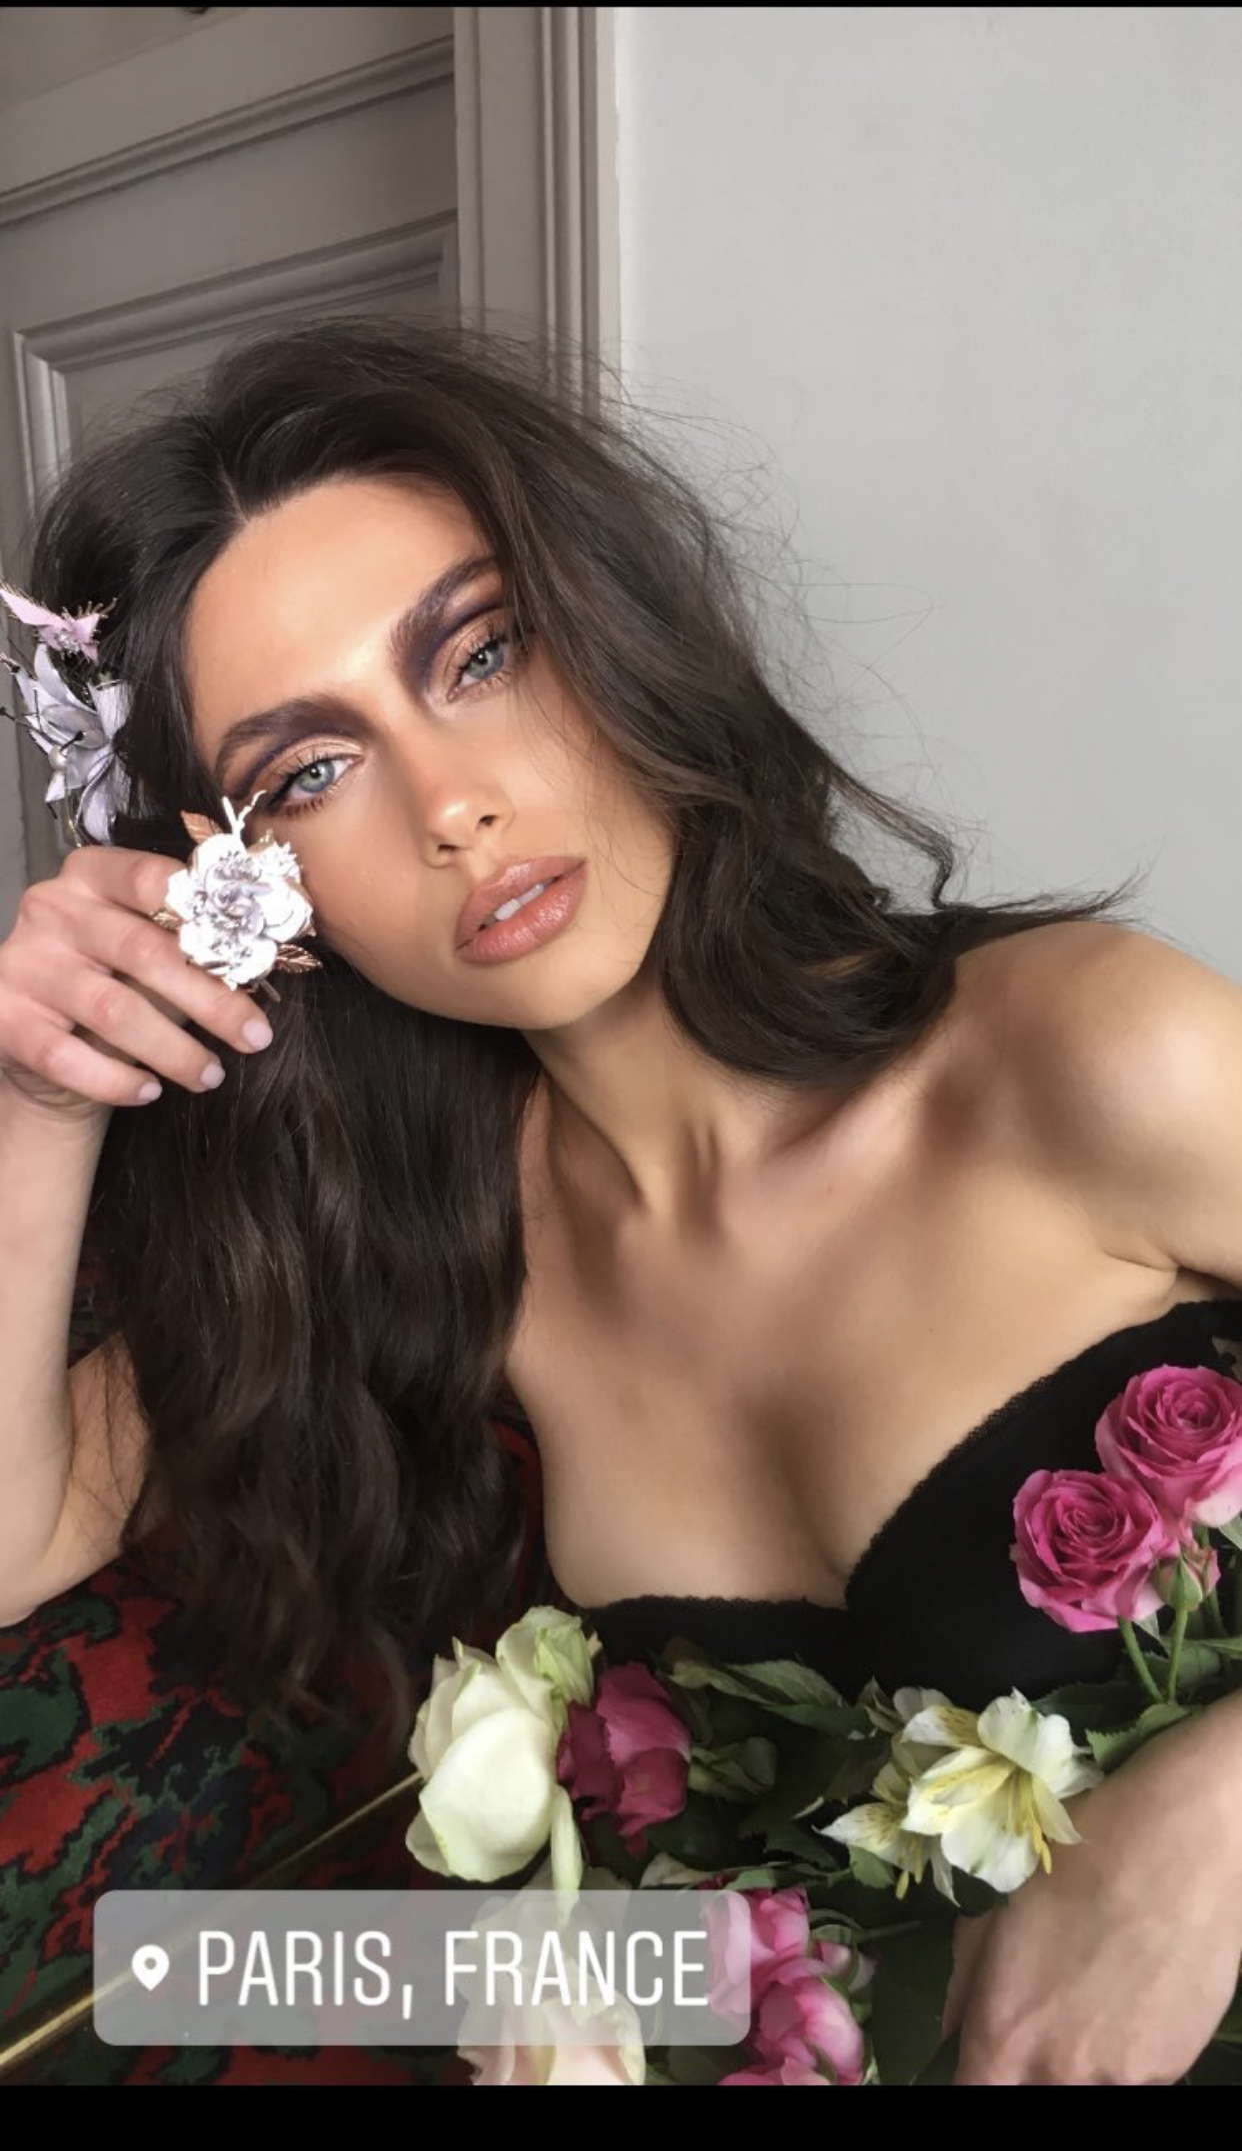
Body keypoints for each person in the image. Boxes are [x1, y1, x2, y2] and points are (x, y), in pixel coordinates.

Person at [2, 315, 1242, 2086]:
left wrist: (1213, 1813)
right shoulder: (436, 1245)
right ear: (253, 894)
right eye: (309, 773)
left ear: (611, 624)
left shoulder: (1086, 1055)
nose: (452, 807)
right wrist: (42, 1097)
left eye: (483, 651)